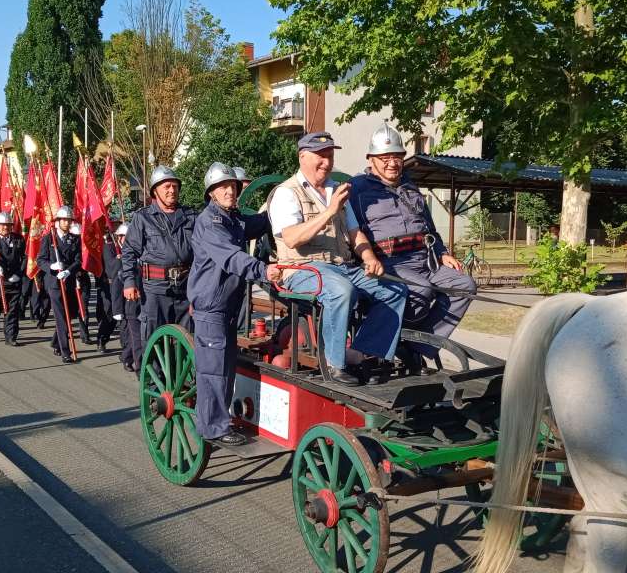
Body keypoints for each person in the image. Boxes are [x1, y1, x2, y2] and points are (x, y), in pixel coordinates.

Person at [266, 131, 408, 385]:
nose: (327, 162)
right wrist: (330, 211)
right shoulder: (286, 193)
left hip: (342, 267)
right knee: (341, 291)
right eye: (320, 156)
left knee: (395, 289)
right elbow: (292, 239)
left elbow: (355, 233)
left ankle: (365, 354)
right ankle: (334, 364)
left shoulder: (335, 190)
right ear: (302, 157)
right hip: (301, 269)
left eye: (330, 156)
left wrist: (369, 257)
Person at [348, 122, 476, 367]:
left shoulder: (410, 187)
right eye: (384, 157)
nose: (392, 163)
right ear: (371, 159)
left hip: (424, 258)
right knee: (421, 289)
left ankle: (417, 346)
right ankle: (391, 339)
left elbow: (430, 228)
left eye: (397, 156)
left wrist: (442, 253)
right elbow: (349, 230)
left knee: (465, 285)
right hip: (390, 263)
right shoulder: (357, 188)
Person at [189, 162, 279, 446]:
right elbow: (231, 257)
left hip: (228, 305)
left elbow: (261, 222)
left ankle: (219, 419)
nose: (229, 190)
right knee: (213, 369)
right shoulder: (210, 223)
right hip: (211, 306)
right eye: (222, 187)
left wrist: (280, 202)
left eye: (232, 186)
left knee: (227, 366)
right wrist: (263, 270)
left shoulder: (234, 219)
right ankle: (213, 427)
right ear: (211, 193)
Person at [121, 165, 196, 342]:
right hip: (155, 290)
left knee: (185, 340)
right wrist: (129, 282)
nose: (172, 190)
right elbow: (129, 251)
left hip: (185, 289)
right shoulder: (143, 218)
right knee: (155, 339)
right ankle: (153, 369)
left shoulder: (191, 216)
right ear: (155, 191)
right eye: (167, 187)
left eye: (175, 186)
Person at [37, 206, 81, 364]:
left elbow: (78, 260)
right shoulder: (49, 238)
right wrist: (52, 266)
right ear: (57, 221)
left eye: (69, 220)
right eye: (64, 220)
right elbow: (40, 260)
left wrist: (68, 271)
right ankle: (65, 351)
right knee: (62, 316)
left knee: (70, 313)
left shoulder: (75, 239)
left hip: (68, 280)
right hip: (54, 283)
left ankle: (56, 341)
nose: (67, 223)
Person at [0, 212, 26, 345]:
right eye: (2, 225)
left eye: (8, 225)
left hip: (13, 280)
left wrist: (19, 274)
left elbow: (24, 258)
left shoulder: (18, 239)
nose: (5, 227)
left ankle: (11, 336)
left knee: (12, 310)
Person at [109, 223, 141, 373]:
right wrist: (117, 309)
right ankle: (127, 358)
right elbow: (116, 285)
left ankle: (127, 356)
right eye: (122, 236)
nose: (125, 239)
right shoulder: (118, 258)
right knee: (129, 335)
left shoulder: (137, 253)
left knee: (134, 335)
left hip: (139, 298)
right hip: (124, 302)